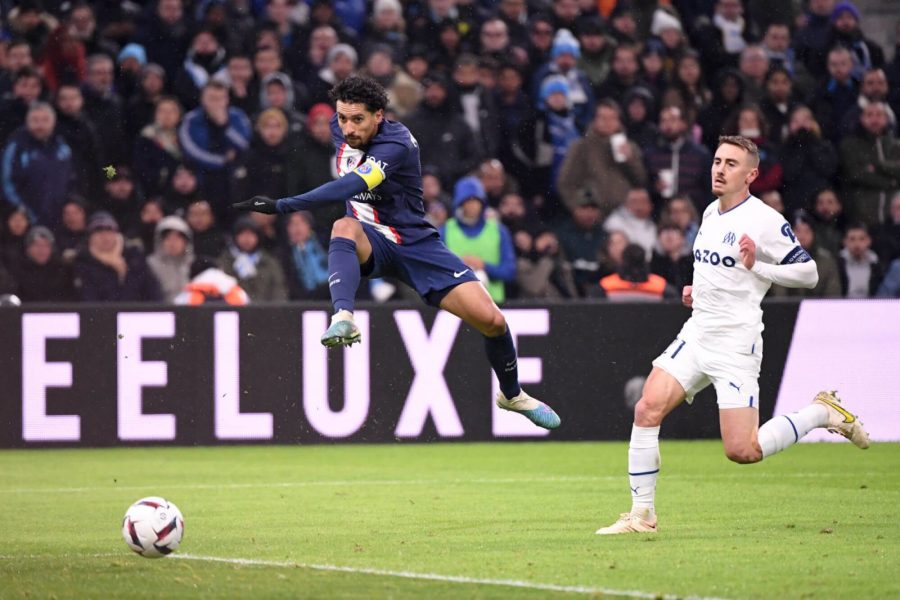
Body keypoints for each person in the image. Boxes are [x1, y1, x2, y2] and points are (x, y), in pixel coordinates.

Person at [233, 75, 560, 430]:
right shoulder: (340, 124)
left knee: (494, 322)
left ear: (379, 115)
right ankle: (343, 315)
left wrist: (283, 205)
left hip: (416, 245)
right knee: (343, 226)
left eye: (357, 119)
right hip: (371, 239)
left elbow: (351, 184)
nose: (347, 128)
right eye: (342, 118)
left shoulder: (397, 143)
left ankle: (511, 395)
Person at [595, 136, 870, 535]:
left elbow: (808, 273)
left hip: (735, 344)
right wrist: (695, 289)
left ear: (751, 175)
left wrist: (760, 266)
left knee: (743, 451)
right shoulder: (709, 212)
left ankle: (822, 412)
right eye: (717, 161)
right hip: (698, 332)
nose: (720, 169)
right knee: (646, 409)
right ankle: (642, 515)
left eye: (731, 164)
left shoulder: (765, 221)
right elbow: (712, 265)